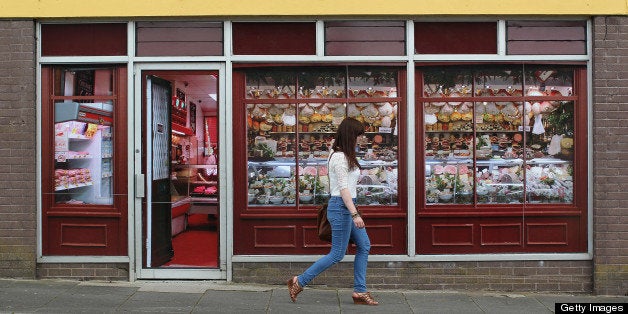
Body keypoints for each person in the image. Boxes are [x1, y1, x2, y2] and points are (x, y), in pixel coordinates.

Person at [287, 117, 378, 306]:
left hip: (346, 204)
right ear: (350, 135)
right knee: (337, 254)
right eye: (358, 135)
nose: (361, 139)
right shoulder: (339, 157)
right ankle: (299, 281)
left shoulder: (342, 153)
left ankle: (360, 291)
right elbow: (343, 189)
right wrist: (355, 214)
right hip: (342, 207)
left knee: (364, 245)